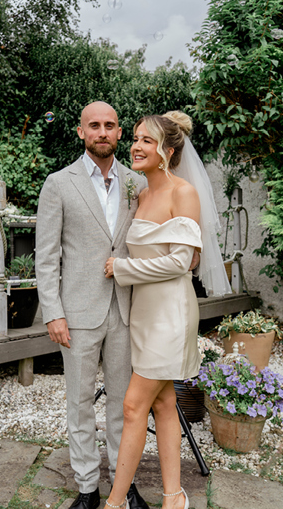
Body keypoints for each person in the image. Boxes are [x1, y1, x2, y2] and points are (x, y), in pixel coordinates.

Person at [103, 112, 230, 509]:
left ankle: (114, 502)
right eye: (136, 138)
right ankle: (174, 496)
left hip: (171, 315)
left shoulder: (183, 192)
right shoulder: (141, 194)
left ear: (168, 151)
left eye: (147, 140)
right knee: (162, 403)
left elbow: (183, 262)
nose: (136, 146)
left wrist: (122, 268)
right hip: (142, 313)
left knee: (132, 405)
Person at [35, 102, 150, 509]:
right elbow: (46, 256)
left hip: (126, 311)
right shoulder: (58, 183)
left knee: (126, 404)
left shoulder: (138, 184)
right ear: (81, 132)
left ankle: (125, 484)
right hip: (78, 313)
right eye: (94, 126)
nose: (103, 132)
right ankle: (87, 488)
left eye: (110, 125)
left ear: (120, 133)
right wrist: (53, 311)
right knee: (80, 403)